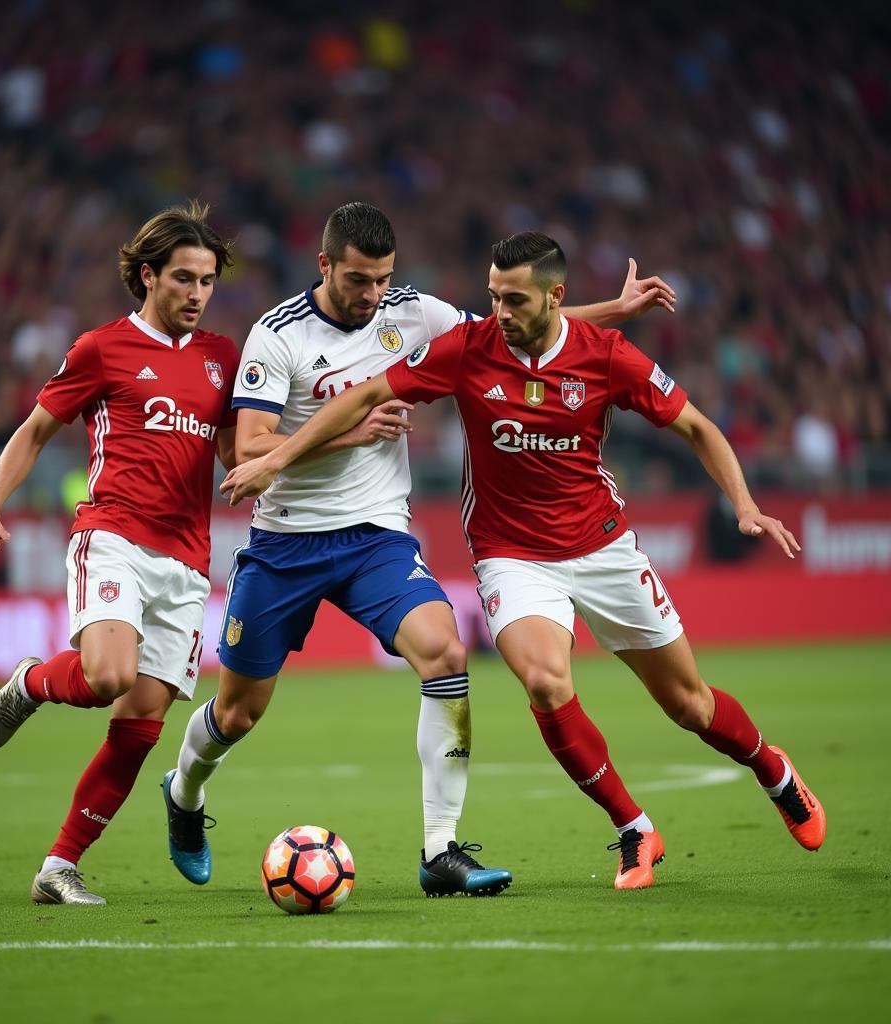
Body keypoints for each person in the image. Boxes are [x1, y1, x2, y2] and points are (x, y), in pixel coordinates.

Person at [220, 230, 826, 891]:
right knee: (544, 681)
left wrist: (743, 504)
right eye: (492, 298)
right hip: (511, 556)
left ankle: (774, 770)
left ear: (554, 297)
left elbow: (697, 428)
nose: (500, 314)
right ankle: (634, 829)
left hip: (603, 547)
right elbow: (362, 395)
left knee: (690, 705)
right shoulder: (466, 350)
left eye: (514, 300)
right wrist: (275, 459)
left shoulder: (606, 356)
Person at [163, 204, 676, 897]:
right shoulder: (276, 336)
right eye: (356, 280)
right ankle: (185, 791)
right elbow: (250, 450)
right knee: (238, 711)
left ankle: (441, 852)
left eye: (382, 280)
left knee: (445, 653)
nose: (371, 295)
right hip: (285, 541)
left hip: (376, 535)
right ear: (324, 266)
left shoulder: (415, 313)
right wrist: (353, 431)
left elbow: (515, 329)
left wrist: (611, 309)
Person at [0, 200, 245, 905]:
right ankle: (32, 682)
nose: (196, 293)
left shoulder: (222, 358)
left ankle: (58, 866)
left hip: (187, 562)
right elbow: (34, 431)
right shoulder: (102, 349)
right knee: (108, 677)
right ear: (148, 276)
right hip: (113, 535)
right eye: (183, 277)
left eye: (207, 280)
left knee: (141, 726)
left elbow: (239, 450)